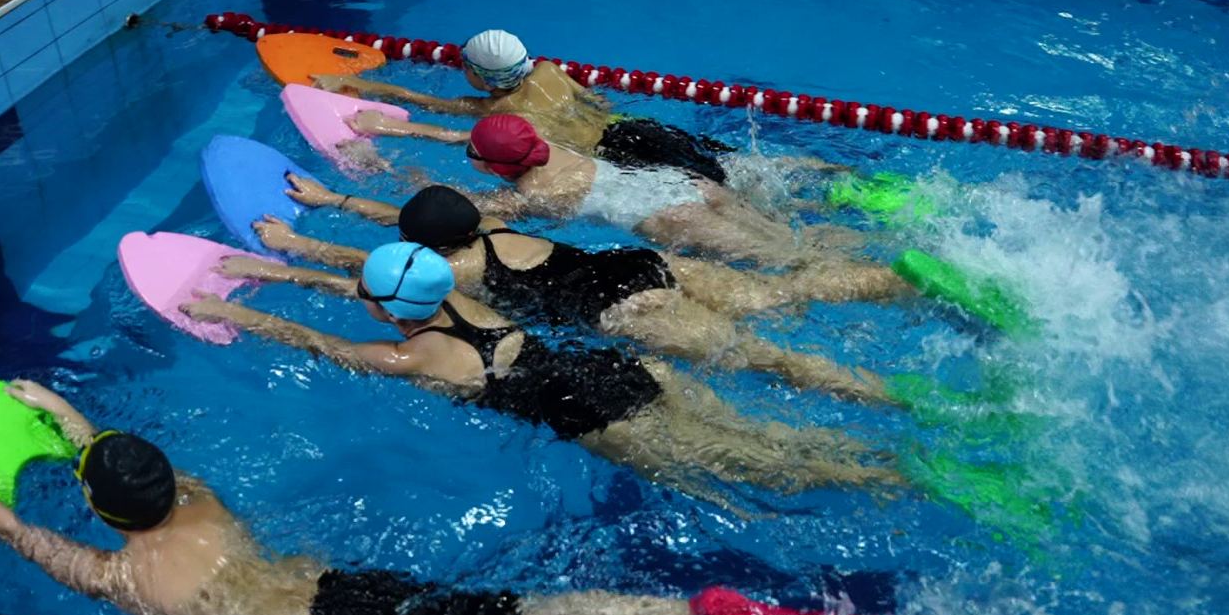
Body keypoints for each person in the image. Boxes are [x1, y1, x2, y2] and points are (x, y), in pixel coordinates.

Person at [0, 380, 902, 615]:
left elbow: (13, 533)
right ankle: (707, 612)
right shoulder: (200, 498)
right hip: (354, 591)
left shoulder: (122, 578)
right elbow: (124, 460)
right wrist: (68, 415)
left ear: (92, 508)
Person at [183, 242, 903, 507]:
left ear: (380, 310)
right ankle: (891, 460)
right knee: (765, 434)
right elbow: (376, 281)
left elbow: (313, 343)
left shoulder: (406, 357)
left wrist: (239, 307)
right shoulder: (457, 291)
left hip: (598, 420)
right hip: (625, 370)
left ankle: (893, 482)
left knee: (759, 472)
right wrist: (281, 265)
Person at [237, 183, 904, 404]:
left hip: (628, 312)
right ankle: (895, 280)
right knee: (778, 296)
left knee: (769, 360)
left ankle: (891, 394)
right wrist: (341, 200)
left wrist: (299, 249)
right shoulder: (486, 223)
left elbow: (369, 267)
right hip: (643, 267)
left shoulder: (460, 279)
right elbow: (405, 220)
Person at [358, 110, 878, 269]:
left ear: (494, 169)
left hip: (673, 217)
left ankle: (884, 279)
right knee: (788, 236)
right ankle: (874, 249)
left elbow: (450, 211)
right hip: (688, 186)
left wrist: (381, 164)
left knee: (787, 261)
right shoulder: (552, 146)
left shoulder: (536, 196)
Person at [310, 28, 737, 183]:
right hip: (635, 126)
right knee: (721, 163)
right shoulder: (550, 69)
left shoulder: (499, 113)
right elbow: (593, 98)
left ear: (482, 77)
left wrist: (351, 82)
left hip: (615, 155)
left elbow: (423, 101)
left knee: (702, 182)